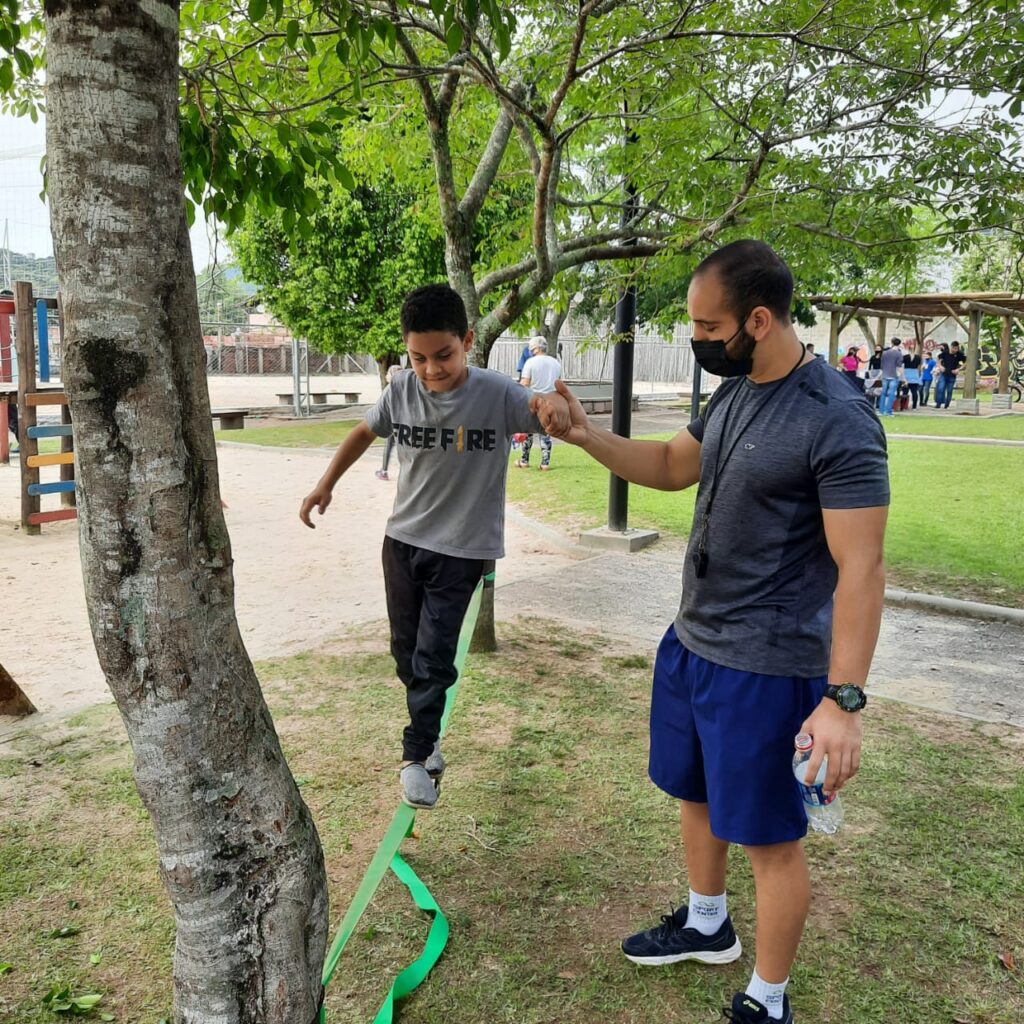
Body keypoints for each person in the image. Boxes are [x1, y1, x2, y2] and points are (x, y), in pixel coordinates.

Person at [549, 240, 889, 1024]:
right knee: (694, 792)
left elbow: (863, 568)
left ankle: (768, 999)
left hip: (767, 668)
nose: (698, 339)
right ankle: (708, 924)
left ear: (758, 321)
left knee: (769, 838)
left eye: (709, 327)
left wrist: (843, 701)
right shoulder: (736, 393)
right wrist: (584, 434)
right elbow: (673, 465)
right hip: (694, 643)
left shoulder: (836, 418)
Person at [299, 284, 567, 810]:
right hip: (402, 541)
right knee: (406, 652)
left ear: (467, 340)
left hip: (463, 550)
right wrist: (325, 484)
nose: (431, 369)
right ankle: (430, 734)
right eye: (418, 357)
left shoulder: (497, 394)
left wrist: (553, 402)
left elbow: (548, 411)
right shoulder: (401, 390)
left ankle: (416, 755)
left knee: (434, 654)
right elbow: (363, 432)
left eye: (443, 355)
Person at [515, 336, 562, 471]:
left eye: (531, 348)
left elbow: (524, 383)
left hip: (533, 401)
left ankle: (524, 460)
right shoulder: (556, 363)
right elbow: (558, 383)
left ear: (535, 348)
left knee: (528, 432)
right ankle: (545, 463)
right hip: (550, 401)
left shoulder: (530, 363)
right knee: (545, 432)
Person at [375, 362, 403, 481]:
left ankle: (384, 471)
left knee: (389, 445)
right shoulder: (407, 389)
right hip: (405, 421)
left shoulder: (390, 389)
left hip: (394, 422)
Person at [934, 340, 966, 409]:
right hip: (944, 374)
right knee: (941, 388)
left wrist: (959, 369)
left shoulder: (959, 354)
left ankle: (947, 404)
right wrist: (940, 366)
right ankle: (938, 404)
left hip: (952, 375)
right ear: (951, 347)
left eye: (956, 348)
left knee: (949, 390)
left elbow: (966, 362)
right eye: (953, 348)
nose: (954, 350)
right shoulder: (945, 353)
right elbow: (938, 359)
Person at [878, 338, 903, 417]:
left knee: (883, 393)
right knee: (891, 394)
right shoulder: (899, 353)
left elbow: (882, 365)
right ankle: (888, 412)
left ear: (892, 343)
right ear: (899, 344)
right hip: (894, 375)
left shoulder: (884, 353)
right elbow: (899, 366)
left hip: (885, 375)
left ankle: (881, 411)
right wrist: (903, 377)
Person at [902, 342, 922, 410]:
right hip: (914, 374)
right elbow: (919, 367)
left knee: (905, 392)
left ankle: (903, 406)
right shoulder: (918, 357)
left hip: (906, 374)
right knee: (914, 392)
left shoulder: (905, 357)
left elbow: (902, 366)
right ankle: (914, 406)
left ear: (908, 349)